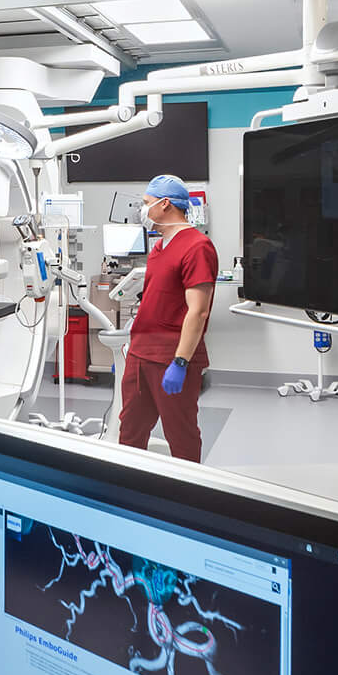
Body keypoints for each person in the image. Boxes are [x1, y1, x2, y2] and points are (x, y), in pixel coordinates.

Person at [119, 173, 217, 462]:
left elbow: (198, 310)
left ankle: (188, 497)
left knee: (180, 434)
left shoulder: (197, 246)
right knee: (130, 431)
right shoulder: (159, 247)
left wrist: (181, 362)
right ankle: (127, 489)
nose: (142, 209)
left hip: (172, 358)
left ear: (164, 204)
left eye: (146, 203)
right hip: (140, 354)